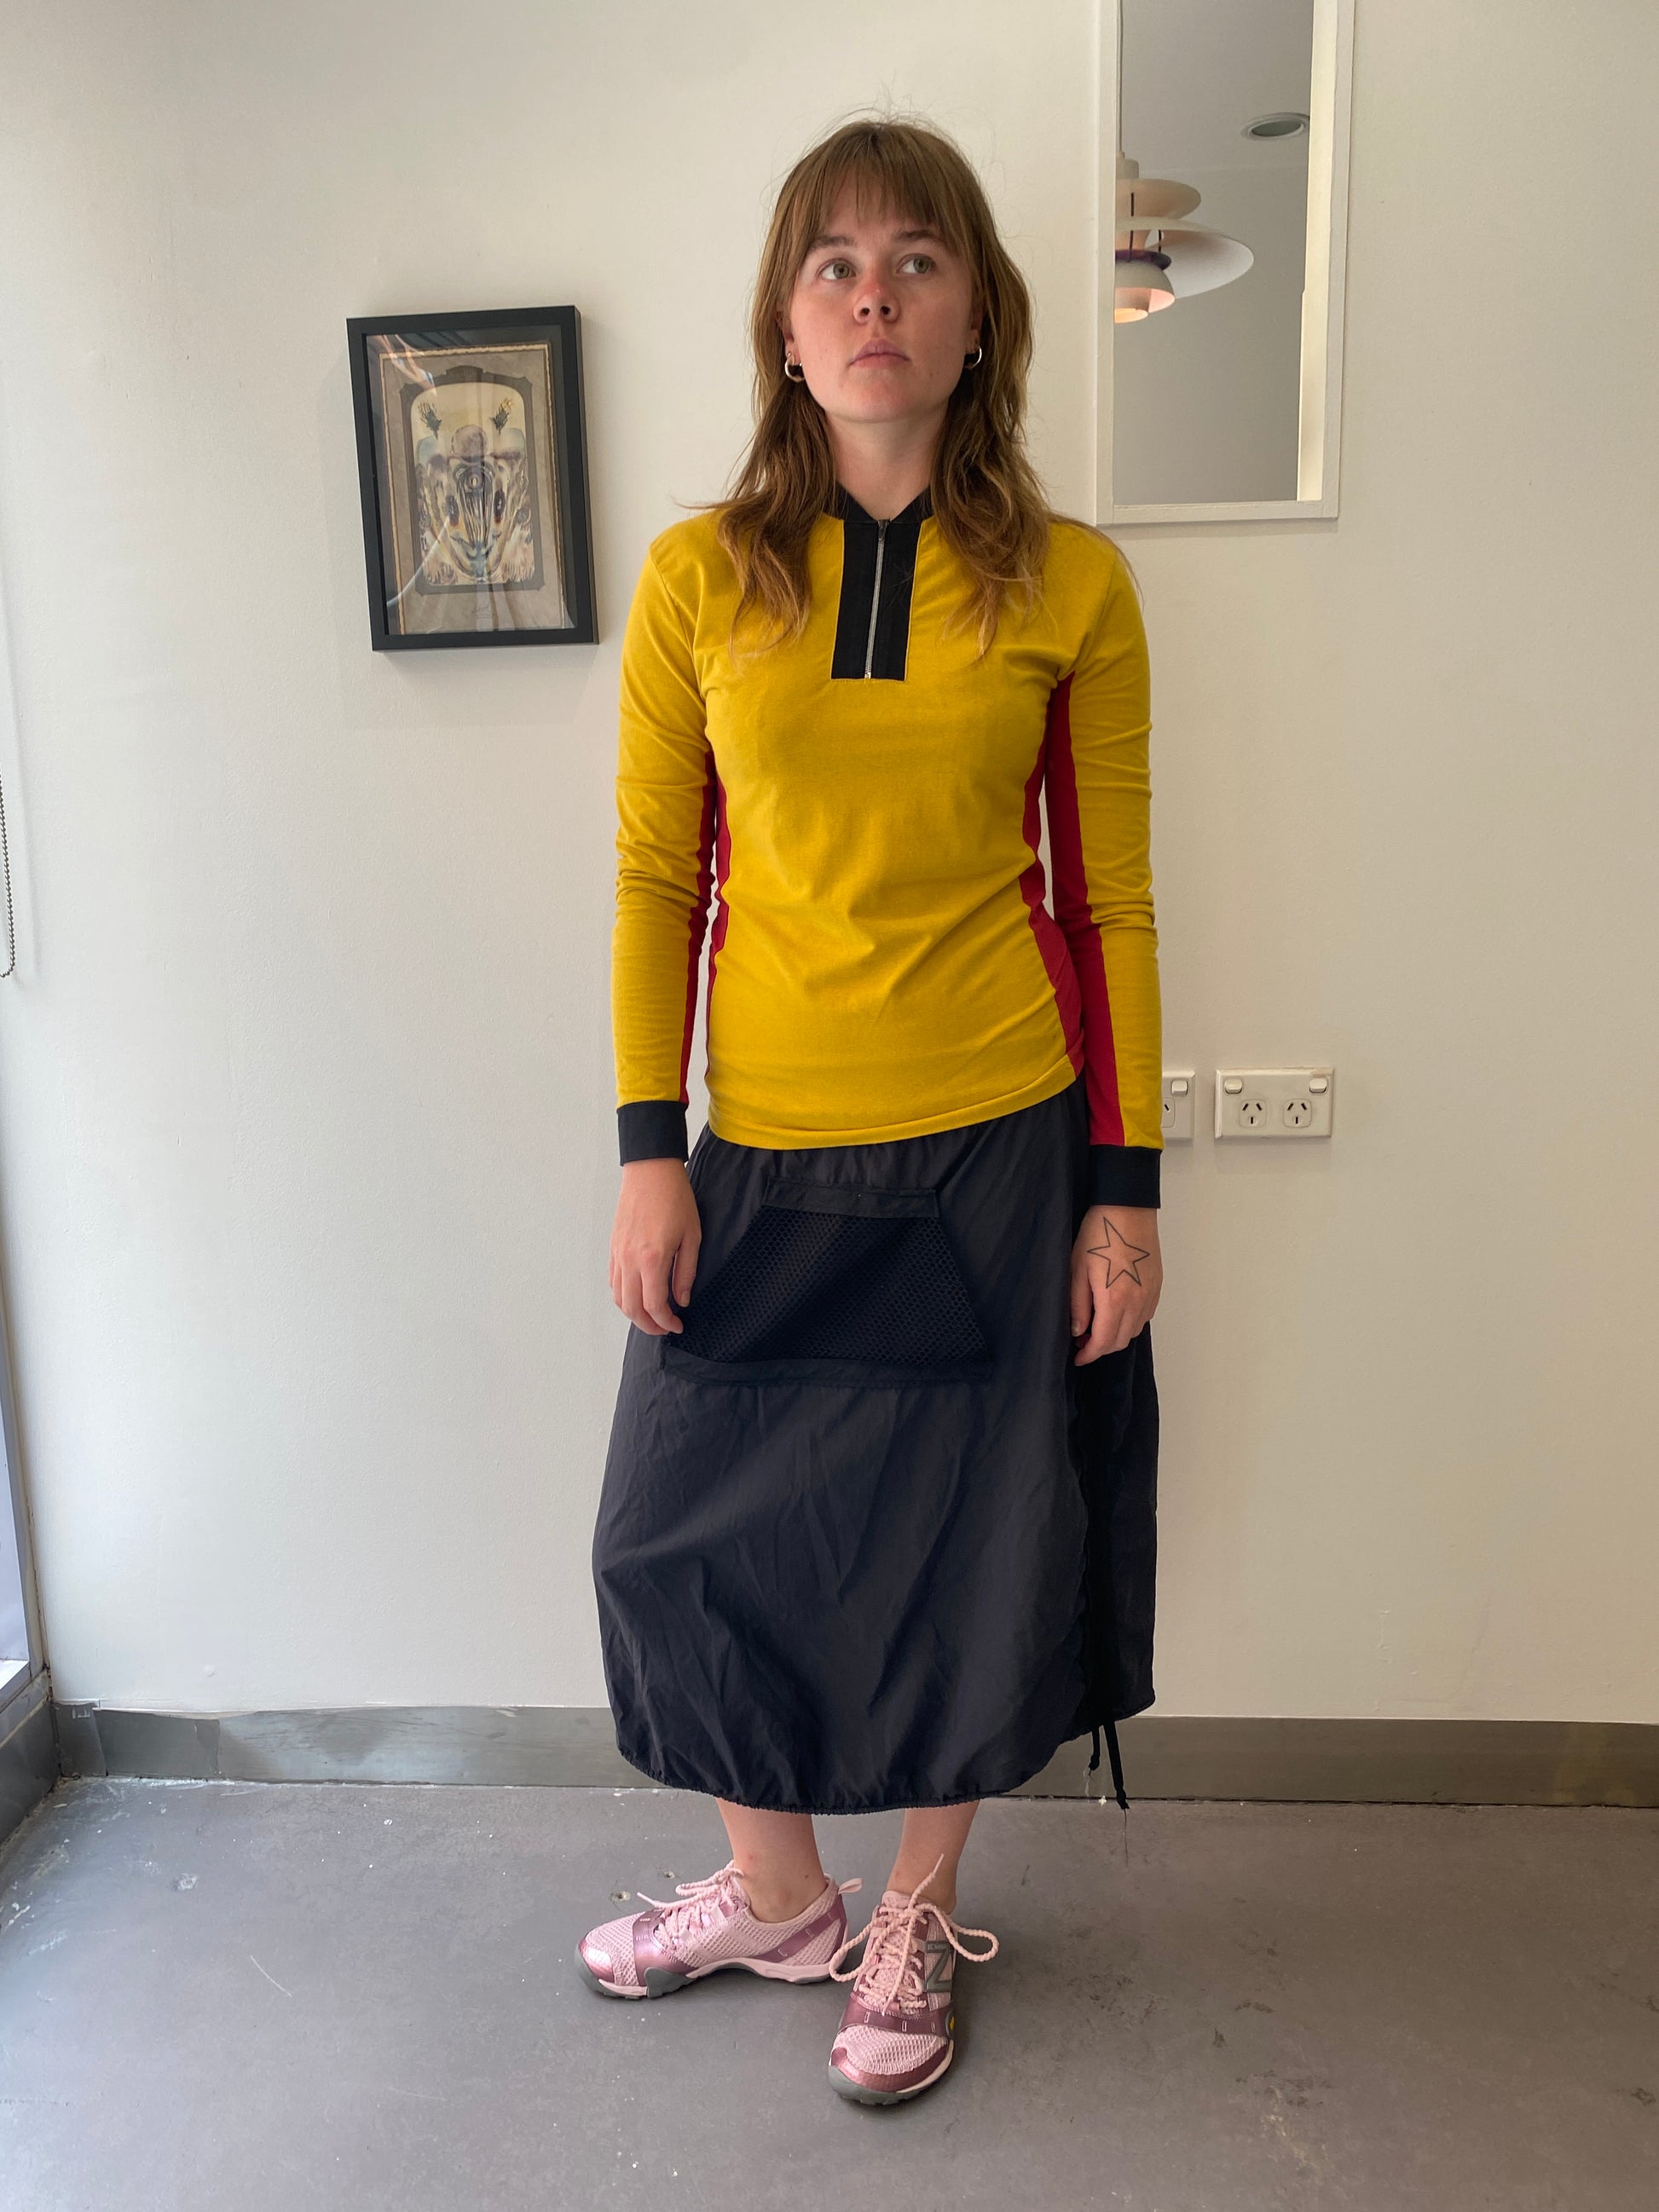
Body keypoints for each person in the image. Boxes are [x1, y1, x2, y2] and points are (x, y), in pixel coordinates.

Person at [580, 111, 1164, 2107]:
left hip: (995, 1143)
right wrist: (648, 1150)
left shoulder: (1070, 584)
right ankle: (778, 1892)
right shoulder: (697, 578)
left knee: (969, 1548)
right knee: (674, 1534)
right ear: (783, 316)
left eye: (917, 258)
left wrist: (1123, 1188)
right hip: (759, 1150)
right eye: (832, 262)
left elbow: (1109, 901)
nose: (873, 295)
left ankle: (912, 1906)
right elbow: (656, 878)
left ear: (979, 312)